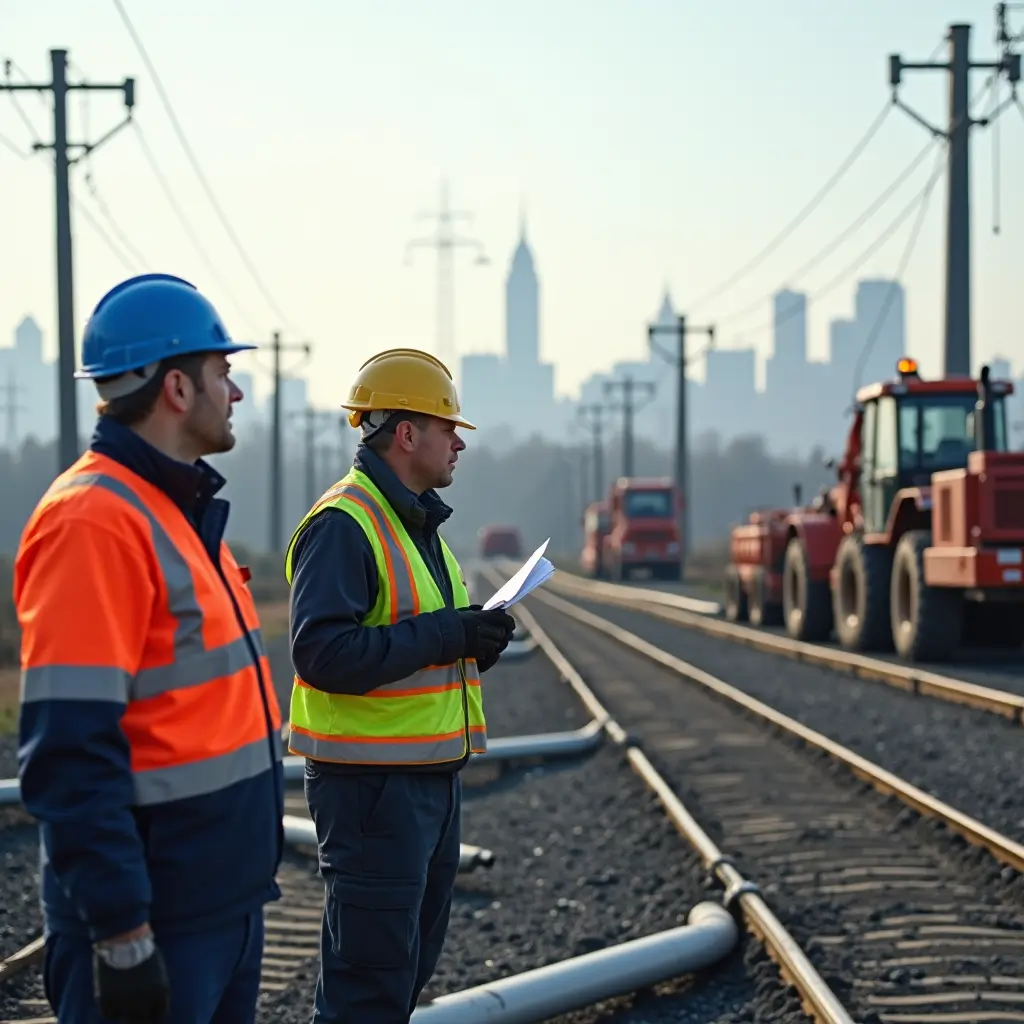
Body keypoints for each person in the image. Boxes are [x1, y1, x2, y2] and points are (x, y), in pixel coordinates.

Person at [15, 273, 285, 1024]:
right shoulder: (91, 523)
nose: (235, 392)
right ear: (177, 387)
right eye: (223, 373)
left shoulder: (173, 511)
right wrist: (122, 934)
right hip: (157, 927)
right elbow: (69, 750)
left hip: (220, 909)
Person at [285, 348, 517, 1023]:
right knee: (368, 990)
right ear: (407, 434)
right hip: (372, 792)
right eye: (449, 429)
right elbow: (322, 653)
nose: (459, 444)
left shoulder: (417, 524)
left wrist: (473, 645)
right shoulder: (344, 524)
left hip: (425, 784)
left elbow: (413, 641)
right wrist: (448, 635)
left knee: (400, 977)